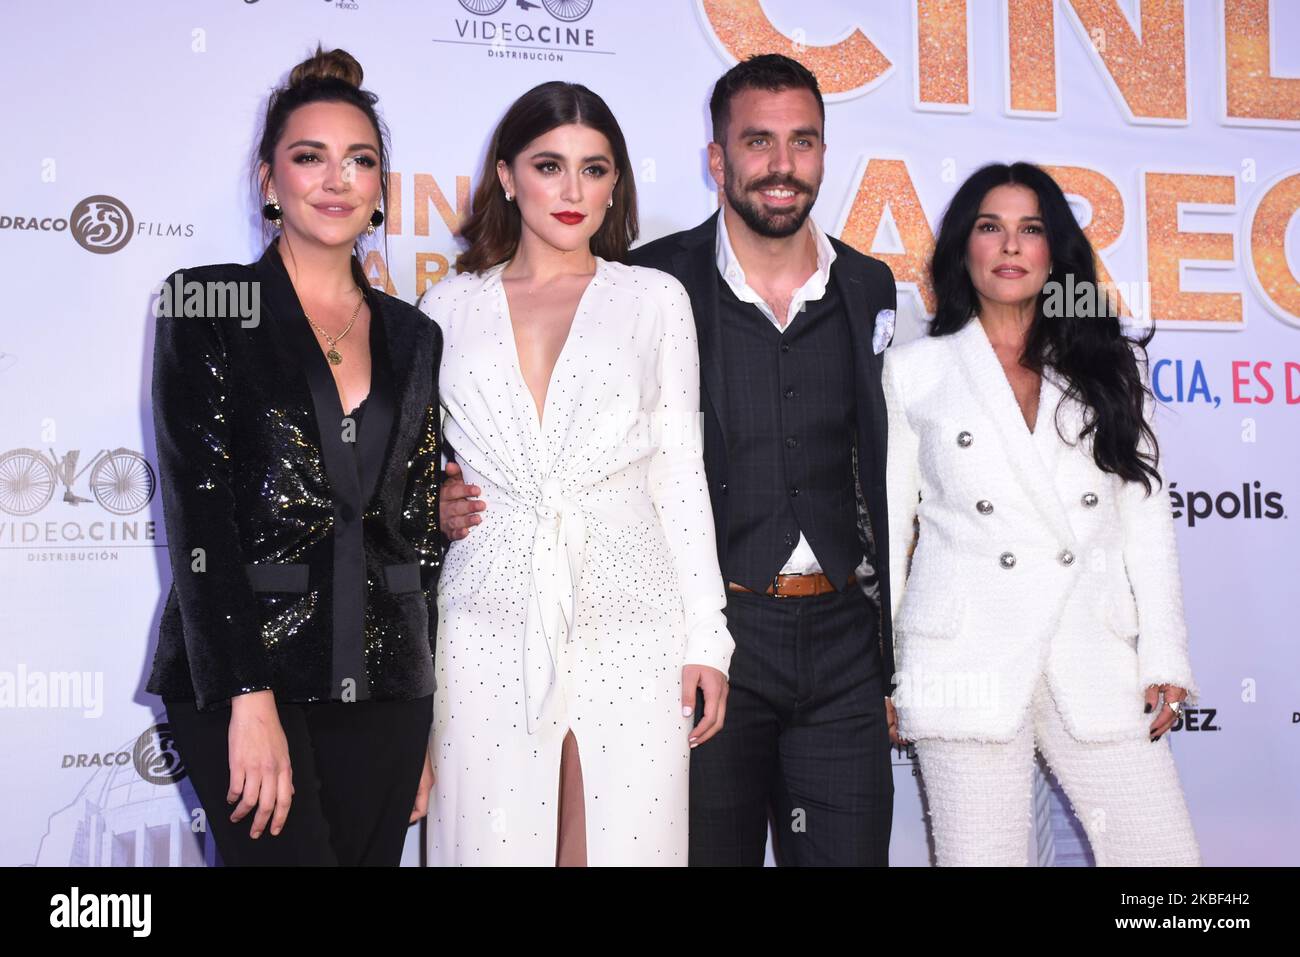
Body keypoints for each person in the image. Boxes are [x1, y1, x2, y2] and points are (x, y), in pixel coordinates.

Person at [418, 80, 733, 866]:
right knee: (491, 840)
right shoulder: (447, 306)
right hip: (483, 611)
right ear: (505, 175)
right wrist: (437, 501)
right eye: (548, 165)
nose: (571, 191)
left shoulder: (654, 299)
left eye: (595, 169)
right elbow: (410, 471)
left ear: (616, 183)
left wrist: (708, 636)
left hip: (632, 609)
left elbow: (681, 474)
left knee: (616, 841)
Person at [146, 47, 445, 866]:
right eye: (309, 157)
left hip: (387, 677)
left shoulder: (415, 333)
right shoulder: (207, 303)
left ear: (382, 187)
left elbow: (418, 535)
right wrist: (246, 693)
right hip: (250, 665)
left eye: (360, 161)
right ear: (268, 178)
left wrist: (430, 716)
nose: (336, 179)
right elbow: (198, 507)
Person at [883, 161, 1201, 866]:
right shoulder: (915, 372)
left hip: (1091, 651)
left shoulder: (1109, 368)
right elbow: (890, 525)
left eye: (1030, 230)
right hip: (962, 656)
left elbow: (1145, 520)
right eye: (990, 227)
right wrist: (890, 670)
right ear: (964, 248)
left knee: (1168, 871)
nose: (1009, 246)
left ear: (1054, 252)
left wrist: (1165, 651)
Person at [626, 54, 899, 866]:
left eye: (803, 142)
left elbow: (887, 465)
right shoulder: (650, 280)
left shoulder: (868, 284)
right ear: (717, 159)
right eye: (759, 142)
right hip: (708, 643)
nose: (783, 167)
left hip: (845, 645)